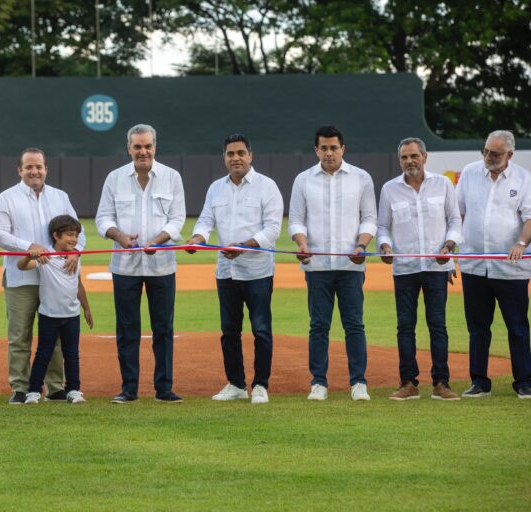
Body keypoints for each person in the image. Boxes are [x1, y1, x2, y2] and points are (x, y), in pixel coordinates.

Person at [187, 134, 283, 404]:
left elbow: (273, 229)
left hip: (257, 271)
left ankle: (261, 385)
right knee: (229, 331)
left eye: (241, 153)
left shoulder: (267, 186)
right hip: (226, 271)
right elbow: (205, 221)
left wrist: (244, 246)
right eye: (230, 154)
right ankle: (236, 384)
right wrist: (197, 239)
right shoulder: (216, 188)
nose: (236, 158)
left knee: (261, 329)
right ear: (224, 158)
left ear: (251, 155)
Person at [95, 123, 186, 404]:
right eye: (137, 146)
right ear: (129, 148)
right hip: (125, 266)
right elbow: (103, 218)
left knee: (163, 328)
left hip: (162, 265)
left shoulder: (171, 177)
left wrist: (159, 239)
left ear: (155, 147)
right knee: (127, 329)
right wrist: (120, 236)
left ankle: (164, 389)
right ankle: (129, 389)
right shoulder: (114, 178)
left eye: (147, 146)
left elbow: (177, 218)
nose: (142, 151)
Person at [289, 125, 377, 401]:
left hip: (351, 265)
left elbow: (369, 218)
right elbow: (296, 219)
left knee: (354, 324)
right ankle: (318, 382)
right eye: (323, 148)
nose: (329, 153)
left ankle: (358, 382)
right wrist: (301, 243)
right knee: (318, 325)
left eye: (333, 147)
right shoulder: (303, 180)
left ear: (343, 149)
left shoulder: (361, 178)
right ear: (316, 150)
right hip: (317, 266)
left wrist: (362, 245)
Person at [0, 148, 84, 404]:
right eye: (29, 167)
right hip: (21, 277)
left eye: (39, 167)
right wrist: (28, 246)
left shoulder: (60, 197)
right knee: (19, 335)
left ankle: (55, 387)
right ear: (19, 170)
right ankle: (20, 387)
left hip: (54, 280)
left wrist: (76, 252)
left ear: (46, 169)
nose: (34, 171)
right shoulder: (7, 197)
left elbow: (79, 230)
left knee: (53, 335)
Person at [377, 137, 462, 401]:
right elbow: (382, 227)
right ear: (399, 160)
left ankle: (441, 383)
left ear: (425, 156)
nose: (409, 161)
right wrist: (384, 246)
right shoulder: (390, 189)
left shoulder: (443, 184)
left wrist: (448, 247)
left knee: (438, 325)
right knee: (405, 327)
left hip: (437, 268)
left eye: (414, 156)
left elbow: (454, 221)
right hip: (405, 268)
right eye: (404, 157)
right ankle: (408, 383)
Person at [456, 130, 531, 399]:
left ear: (509, 154)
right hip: (474, 265)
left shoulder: (523, 178)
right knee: (477, 327)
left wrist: (520, 243)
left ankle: (524, 381)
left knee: (518, 326)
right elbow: (458, 212)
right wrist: (451, 244)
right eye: (486, 151)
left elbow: (530, 218)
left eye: (495, 153)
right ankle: (479, 381)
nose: (489, 156)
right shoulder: (469, 172)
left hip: (511, 268)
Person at [19, 215, 93, 405]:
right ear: (56, 236)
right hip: (49, 316)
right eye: (69, 235)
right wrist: (30, 255)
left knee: (72, 355)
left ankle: (74, 390)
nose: (74, 239)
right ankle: (34, 391)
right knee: (44, 353)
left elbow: (78, 284)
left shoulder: (75, 257)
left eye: (76, 235)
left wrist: (86, 308)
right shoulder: (46, 257)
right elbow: (22, 266)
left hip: (71, 315)